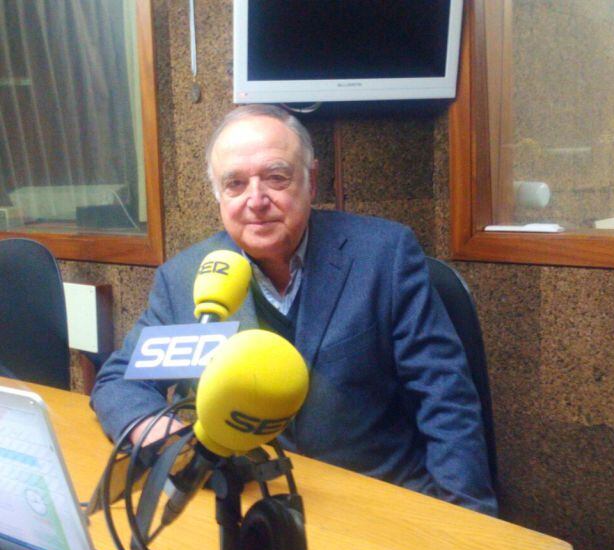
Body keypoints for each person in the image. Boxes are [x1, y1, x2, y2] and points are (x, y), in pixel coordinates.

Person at [91, 105, 498, 516]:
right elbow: (118, 382)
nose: (256, 200)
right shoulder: (185, 279)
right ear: (218, 195)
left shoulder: (384, 256)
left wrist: (466, 523)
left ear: (311, 181)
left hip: (376, 502)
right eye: (235, 184)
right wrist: (173, 442)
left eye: (276, 177)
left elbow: (445, 399)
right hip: (251, 506)